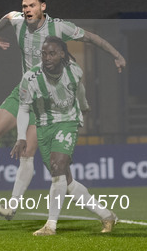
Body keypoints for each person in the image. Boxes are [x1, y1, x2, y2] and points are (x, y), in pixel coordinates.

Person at [0, 0, 126, 220]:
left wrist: (116, 55)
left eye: (32, 5)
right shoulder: (17, 21)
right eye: (24, 6)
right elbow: (7, 16)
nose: (27, 9)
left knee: (48, 167)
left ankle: (16, 207)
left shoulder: (59, 27)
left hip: (46, 102)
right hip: (24, 90)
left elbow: (91, 38)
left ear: (43, 7)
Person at [11, 36, 117, 235]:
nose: (47, 57)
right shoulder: (31, 78)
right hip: (43, 128)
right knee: (66, 181)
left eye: (52, 53)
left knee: (58, 166)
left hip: (68, 122)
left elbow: (79, 90)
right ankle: (106, 215)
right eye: (44, 54)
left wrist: (84, 107)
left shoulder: (74, 71)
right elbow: (24, 109)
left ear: (62, 54)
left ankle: (50, 225)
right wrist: (21, 136)